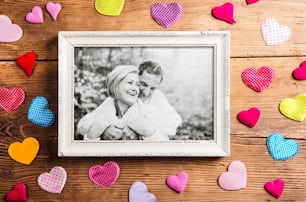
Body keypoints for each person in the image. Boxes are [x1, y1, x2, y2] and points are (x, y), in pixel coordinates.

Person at [77, 65, 168, 141]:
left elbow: (165, 145)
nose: (135, 88)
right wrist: (102, 130)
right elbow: (83, 126)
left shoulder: (149, 112)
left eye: (137, 84)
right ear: (116, 85)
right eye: (130, 82)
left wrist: (148, 133)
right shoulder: (108, 105)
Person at [103, 60, 182, 139]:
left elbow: (174, 122)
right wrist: (105, 128)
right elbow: (98, 117)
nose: (146, 93)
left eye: (152, 88)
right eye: (143, 84)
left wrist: (140, 129)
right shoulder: (124, 93)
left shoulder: (157, 96)